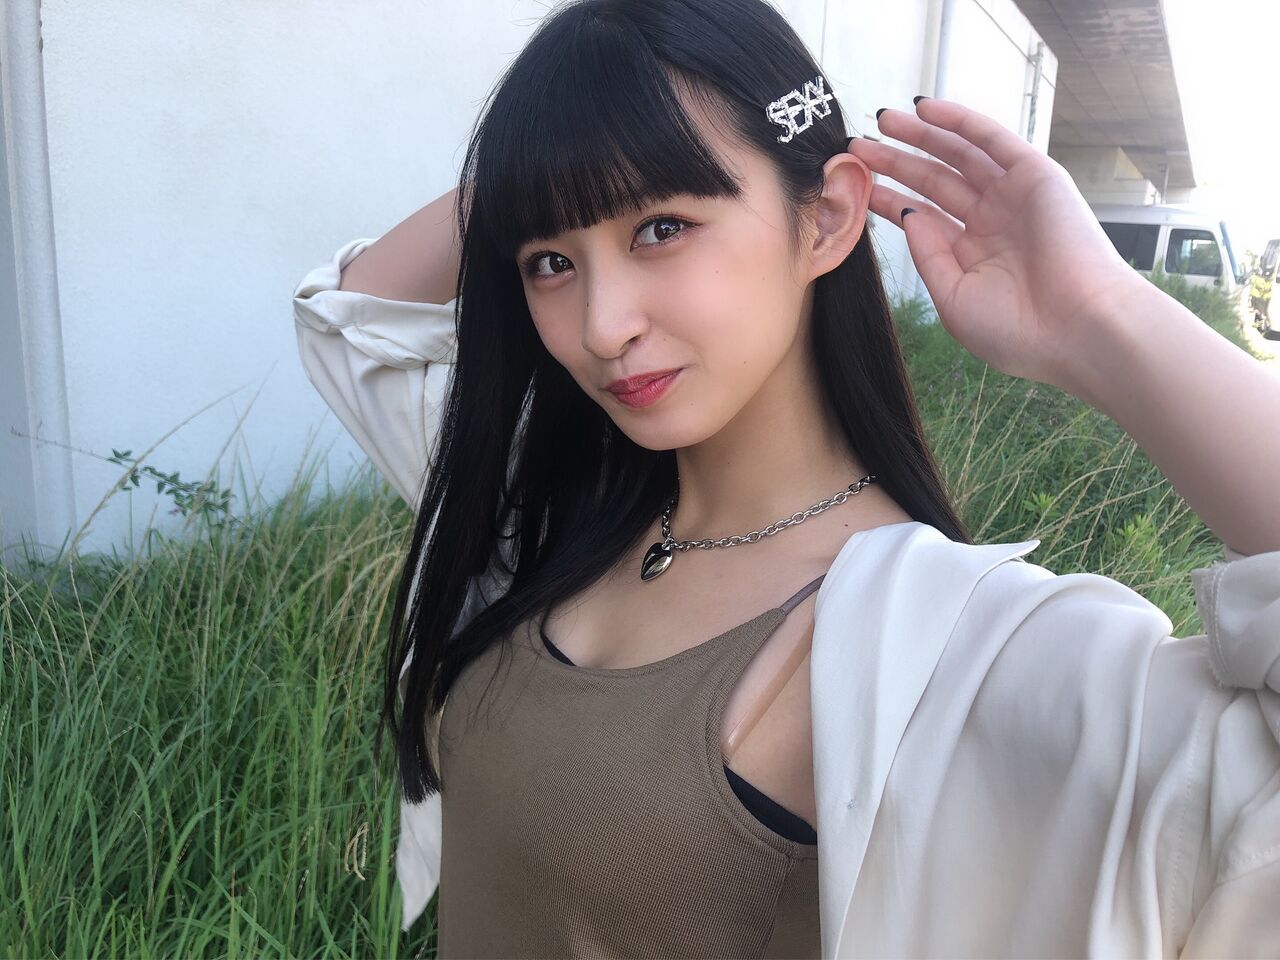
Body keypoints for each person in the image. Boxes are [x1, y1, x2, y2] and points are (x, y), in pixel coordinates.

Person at [291, 0, 1280, 955]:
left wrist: (1102, 316)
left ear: (826, 218)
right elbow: (351, 320)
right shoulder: (552, 510)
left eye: (660, 228)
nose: (601, 325)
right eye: (550, 261)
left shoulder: (951, 654)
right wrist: (550, 150)